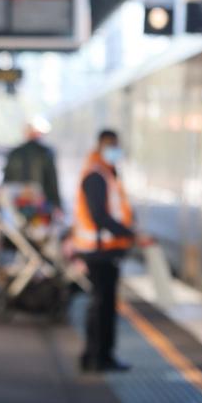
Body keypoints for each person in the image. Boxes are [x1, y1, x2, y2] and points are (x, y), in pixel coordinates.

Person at [73, 129, 149, 372]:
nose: (114, 149)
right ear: (100, 146)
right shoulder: (96, 176)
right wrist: (131, 235)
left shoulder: (105, 173)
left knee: (102, 304)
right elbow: (100, 216)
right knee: (102, 305)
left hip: (105, 250)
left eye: (116, 144)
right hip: (99, 251)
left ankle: (95, 355)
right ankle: (99, 357)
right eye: (110, 145)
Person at [3, 116, 61, 215]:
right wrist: (57, 205)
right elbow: (52, 182)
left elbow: (6, 181)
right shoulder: (46, 153)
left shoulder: (14, 153)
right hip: (41, 206)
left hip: (17, 205)